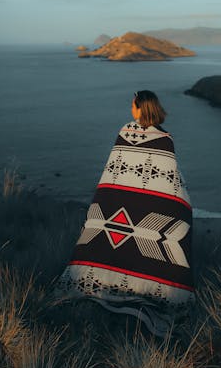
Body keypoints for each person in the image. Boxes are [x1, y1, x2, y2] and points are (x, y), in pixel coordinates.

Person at [56, 90, 194, 336]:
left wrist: (106, 201)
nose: (131, 108)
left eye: (133, 104)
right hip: (139, 208)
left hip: (125, 206)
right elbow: (170, 182)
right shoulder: (165, 138)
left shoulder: (126, 132)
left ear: (141, 107)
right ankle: (143, 286)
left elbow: (114, 176)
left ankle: (111, 282)